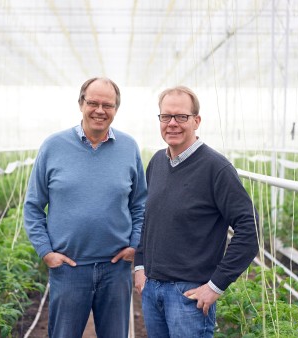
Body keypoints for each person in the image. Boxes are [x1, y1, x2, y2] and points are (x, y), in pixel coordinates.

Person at [23, 77, 147, 338]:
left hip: (115, 270)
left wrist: (135, 244)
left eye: (108, 105)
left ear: (116, 109)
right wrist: (46, 252)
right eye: (93, 103)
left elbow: (140, 203)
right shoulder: (53, 146)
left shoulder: (128, 147)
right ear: (81, 103)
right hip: (68, 269)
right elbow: (33, 206)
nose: (100, 110)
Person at [134, 86, 259, 337]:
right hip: (152, 289)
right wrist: (139, 265)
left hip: (188, 296)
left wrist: (215, 286)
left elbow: (250, 230)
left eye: (181, 117)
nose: (172, 123)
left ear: (196, 121)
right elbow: (149, 217)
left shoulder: (216, 168)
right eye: (166, 116)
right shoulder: (157, 162)